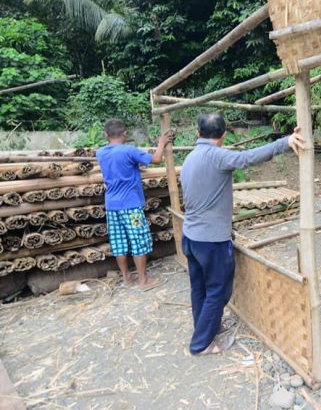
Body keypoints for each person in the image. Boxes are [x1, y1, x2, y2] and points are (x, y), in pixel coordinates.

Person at [180, 113, 305, 355]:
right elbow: (247, 158)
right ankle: (201, 344)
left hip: (190, 237)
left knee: (199, 288)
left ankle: (208, 327)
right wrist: (283, 142)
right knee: (218, 290)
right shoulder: (217, 156)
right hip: (211, 241)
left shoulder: (190, 157)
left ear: (198, 133)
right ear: (223, 135)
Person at [96, 118, 172, 290]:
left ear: (106, 135)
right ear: (125, 133)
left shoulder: (100, 153)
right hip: (130, 207)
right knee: (138, 241)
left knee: (119, 243)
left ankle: (126, 278)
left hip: (112, 206)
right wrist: (161, 143)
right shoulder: (129, 150)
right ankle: (144, 281)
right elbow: (157, 159)